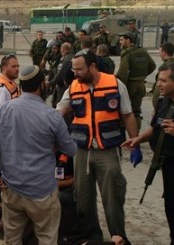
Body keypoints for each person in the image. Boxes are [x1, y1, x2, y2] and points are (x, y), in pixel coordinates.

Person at [0, 65, 77, 244]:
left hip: (11, 190)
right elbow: (70, 149)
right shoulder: (52, 115)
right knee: (47, 239)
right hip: (42, 191)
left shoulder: (2, 110)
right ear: (42, 85)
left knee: (12, 239)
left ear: (21, 86)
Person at [57, 49, 140, 245]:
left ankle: (118, 238)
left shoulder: (115, 84)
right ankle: (91, 238)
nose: (75, 73)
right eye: (73, 69)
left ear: (92, 66)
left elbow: (128, 115)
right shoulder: (74, 87)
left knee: (113, 197)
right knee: (83, 200)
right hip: (82, 151)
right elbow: (59, 111)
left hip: (108, 151)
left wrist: (134, 142)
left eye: (79, 69)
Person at [121, 63, 174, 245]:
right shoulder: (163, 101)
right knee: (171, 208)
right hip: (167, 165)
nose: (159, 84)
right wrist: (137, 139)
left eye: (163, 80)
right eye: (159, 79)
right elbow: (154, 127)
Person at [116, 32, 156, 130]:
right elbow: (152, 65)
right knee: (137, 111)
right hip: (141, 85)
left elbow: (123, 72)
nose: (120, 42)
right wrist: (142, 76)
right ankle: (136, 137)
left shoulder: (126, 53)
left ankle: (123, 137)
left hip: (130, 86)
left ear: (128, 40)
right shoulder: (142, 51)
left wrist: (121, 87)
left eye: (122, 40)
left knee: (124, 111)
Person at [50, 42, 74, 107]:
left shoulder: (66, 60)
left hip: (63, 86)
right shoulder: (72, 57)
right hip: (70, 85)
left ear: (63, 49)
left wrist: (51, 83)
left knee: (60, 104)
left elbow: (60, 74)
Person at [152, 42, 174, 108]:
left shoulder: (165, 68)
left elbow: (157, 90)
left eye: (160, 52)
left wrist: (156, 107)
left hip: (165, 104)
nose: (159, 54)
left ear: (164, 53)